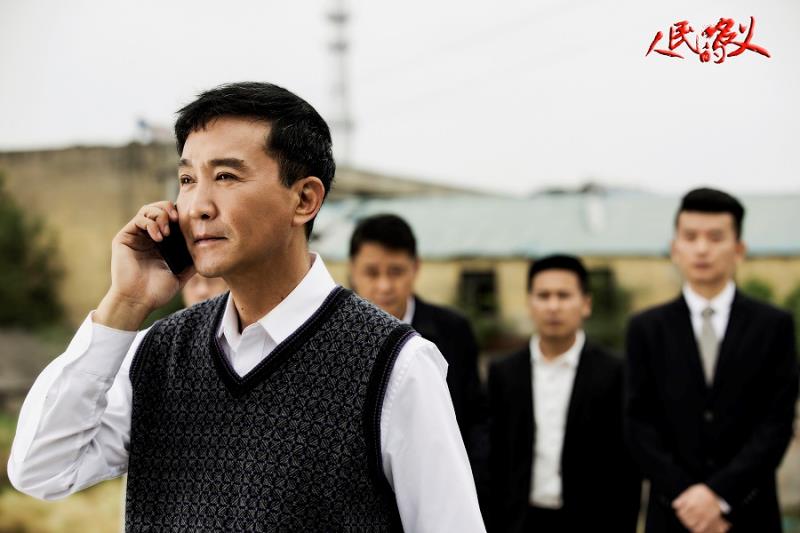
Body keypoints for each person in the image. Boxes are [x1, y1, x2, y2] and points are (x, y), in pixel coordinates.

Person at [8, 82, 485, 532]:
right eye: (187, 179)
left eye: (225, 176)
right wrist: (124, 303)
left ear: (304, 199)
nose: (197, 205)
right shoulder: (158, 353)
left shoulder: (394, 364)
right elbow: (41, 470)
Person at [625, 188, 799, 533]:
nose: (702, 248)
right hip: (674, 514)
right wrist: (688, 498)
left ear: (739, 249)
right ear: (675, 248)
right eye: (690, 237)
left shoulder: (774, 325)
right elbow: (637, 422)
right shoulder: (646, 328)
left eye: (715, 237)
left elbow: (777, 422)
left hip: (748, 512)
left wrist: (719, 496)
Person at [487, 254, 640, 533]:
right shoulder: (504, 373)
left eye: (564, 295)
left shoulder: (615, 371)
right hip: (520, 521)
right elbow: (494, 457)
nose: (553, 306)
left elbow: (626, 465)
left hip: (592, 521)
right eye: (543, 296)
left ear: (586, 304)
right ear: (529, 303)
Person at [348, 214, 484, 452]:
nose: (384, 286)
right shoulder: (335, 334)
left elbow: (475, 419)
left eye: (396, 272)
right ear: (352, 270)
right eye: (372, 273)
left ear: (416, 268)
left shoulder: (453, 330)